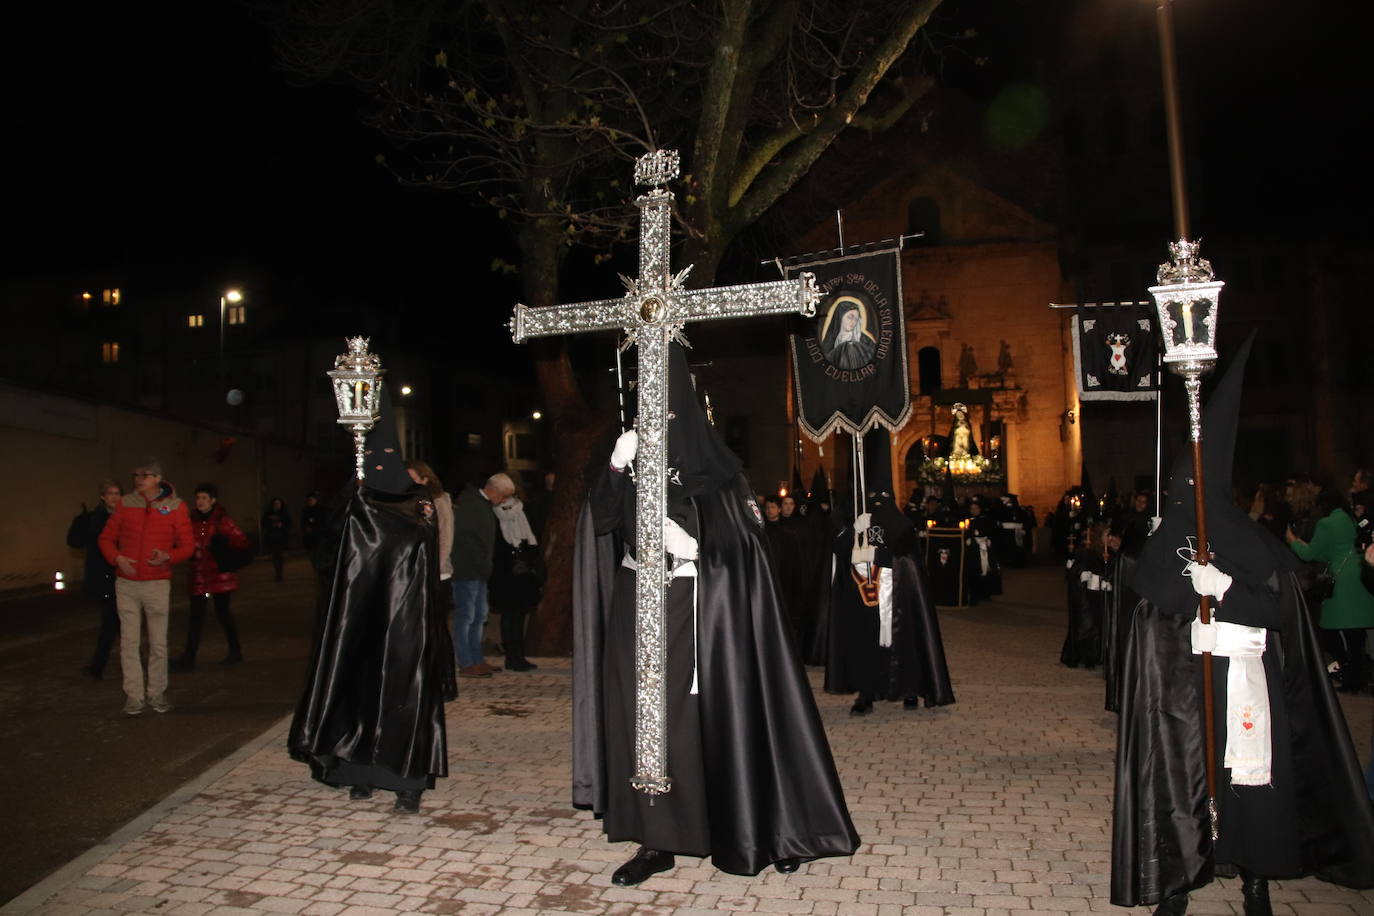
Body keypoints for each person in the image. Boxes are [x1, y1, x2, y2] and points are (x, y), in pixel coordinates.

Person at [573, 342, 859, 886]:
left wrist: (694, 545)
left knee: (697, 724)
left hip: (697, 613)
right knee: (643, 724)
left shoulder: (720, 475)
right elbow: (603, 522)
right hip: (638, 608)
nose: (657, 420)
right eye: (647, 408)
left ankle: (747, 825)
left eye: (667, 409)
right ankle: (655, 840)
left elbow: (747, 549)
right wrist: (616, 464)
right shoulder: (629, 464)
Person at [1111, 335, 1374, 915]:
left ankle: (1257, 876)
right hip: (1185, 696)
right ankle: (1180, 877)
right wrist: (1178, 632)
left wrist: (1226, 593)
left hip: (1248, 680)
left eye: (1190, 487)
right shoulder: (1167, 537)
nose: (1182, 497)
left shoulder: (1249, 540)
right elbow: (1145, 610)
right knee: (1186, 785)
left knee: (1252, 786)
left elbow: (1284, 608)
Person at [289, 390, 456, 813]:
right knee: (358, 691)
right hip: (359, 618)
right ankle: (357, 771)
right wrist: (352, 496)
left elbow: (421, 554)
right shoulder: (353, 503)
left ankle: (405, 782)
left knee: (403, 695)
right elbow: (329, 551)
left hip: (404, 621)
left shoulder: (417, 506)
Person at [825, 428, 955, 717]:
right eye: (875, 496)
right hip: (864, 595)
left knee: (905, 642)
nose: (879, 502)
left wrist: (880, 556)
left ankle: (909, 689)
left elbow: (907, 561)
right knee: (865, 644)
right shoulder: (857, 517)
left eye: (884, 496)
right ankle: (867, 692)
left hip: (898, 597)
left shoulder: (902, 525)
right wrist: (852, 535)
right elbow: (838, 547)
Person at [98, 457, 193, 717]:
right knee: (129, 643)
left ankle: (157, 692)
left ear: (158, 479)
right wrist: (117, 558)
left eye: (145, 475)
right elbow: (106, 538)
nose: (138, 479)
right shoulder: (126, 504)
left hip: (157, 583)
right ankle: (134, 696)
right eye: (136, 475)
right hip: (127, 583)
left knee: (158, 644)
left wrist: (168, 557)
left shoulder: (175, 506)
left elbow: (188, 545)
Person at [1288, 489, 1374, 693]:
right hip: (1360, 574)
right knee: (1356, 634)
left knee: (1329, 630)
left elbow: (1311, 554)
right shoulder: (1352, 519)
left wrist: (1293, 541)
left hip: (1341, 580)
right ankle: (1357, 677)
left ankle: (1350, 674)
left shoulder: (1326, 523)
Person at [171, 484, 248, 671]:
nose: (200, 502)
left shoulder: (223, 521)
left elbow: (242, 542)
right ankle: (189, 659)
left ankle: (235, 651)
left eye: (204, 498)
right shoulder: (193, 521)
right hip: (200, 576)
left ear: (213, 500)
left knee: (223, 614)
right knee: (196, 617)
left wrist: (225, 543)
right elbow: (186, 543)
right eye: (198, 498)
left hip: (220, 577)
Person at [451, 472, 515, 678]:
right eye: (503, 495)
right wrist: (479, 564)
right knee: (467, 617)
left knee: (478, 616)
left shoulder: (481, 505)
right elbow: (465, 541)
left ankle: (476, 659)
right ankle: (466, 662)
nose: (503, 500)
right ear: (493, 490)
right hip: (467, 571)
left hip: (478, 571)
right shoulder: (472, 505)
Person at [66, 479, 122, 679]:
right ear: (103, 497)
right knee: (113, 622)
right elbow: (74, 541)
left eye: (117, 493)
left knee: (116, 623)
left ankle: (98, 667)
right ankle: (99, 667)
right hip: (104, 578)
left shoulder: (126, 517)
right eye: (110, 494)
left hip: (122, 576)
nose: (114, 497)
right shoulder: (94, 519)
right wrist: (80, 521)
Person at [489, 489, 543, 672]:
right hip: (504, 573)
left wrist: (526, 561)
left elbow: (532, 539)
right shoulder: (495, 514)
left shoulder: (522, 511)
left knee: (519, 615)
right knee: (508, 615)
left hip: (522, 572)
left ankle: (518, 656)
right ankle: (511, 656)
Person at [1061, 520, 1110, 669]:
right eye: (1107, 535)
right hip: (1086, 598)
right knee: (1088, 627)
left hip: (1094, 595)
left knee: (1094, 625)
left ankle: (1093, 655)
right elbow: (1078, 573)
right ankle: (1087, 655)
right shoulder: (1087, 553)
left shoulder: (1102, 552)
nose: (1109, 538)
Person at [820, 297, 876, 370]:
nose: (853, 322)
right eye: (850, 317)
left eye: (856, 319)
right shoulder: (829, 342)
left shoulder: (865, 340)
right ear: (840, 317)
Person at [262, 497, 291, 582]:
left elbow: (289, 523)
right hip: (272, 538)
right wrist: (271, 525)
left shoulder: (284, 513)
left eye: (278, 503)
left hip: (281, 538)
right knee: (275, 556)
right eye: (275, 503)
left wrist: (281, 525)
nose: (277, 505)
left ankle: (279, 574)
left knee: (280, 556)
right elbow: (263, 523)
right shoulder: (268, 513)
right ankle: (277, 573)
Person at [300, 491, 326, 556]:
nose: (310, 501)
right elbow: (303, 521)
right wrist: (305, 527)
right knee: (310, 554)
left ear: (315, 500)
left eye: (311, 500)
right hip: (309, 536)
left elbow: (323, 522)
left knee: (318, 554)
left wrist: (315, 528)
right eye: (308, 500)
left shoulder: (321, 509)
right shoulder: (305, 510)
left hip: (318, 536)